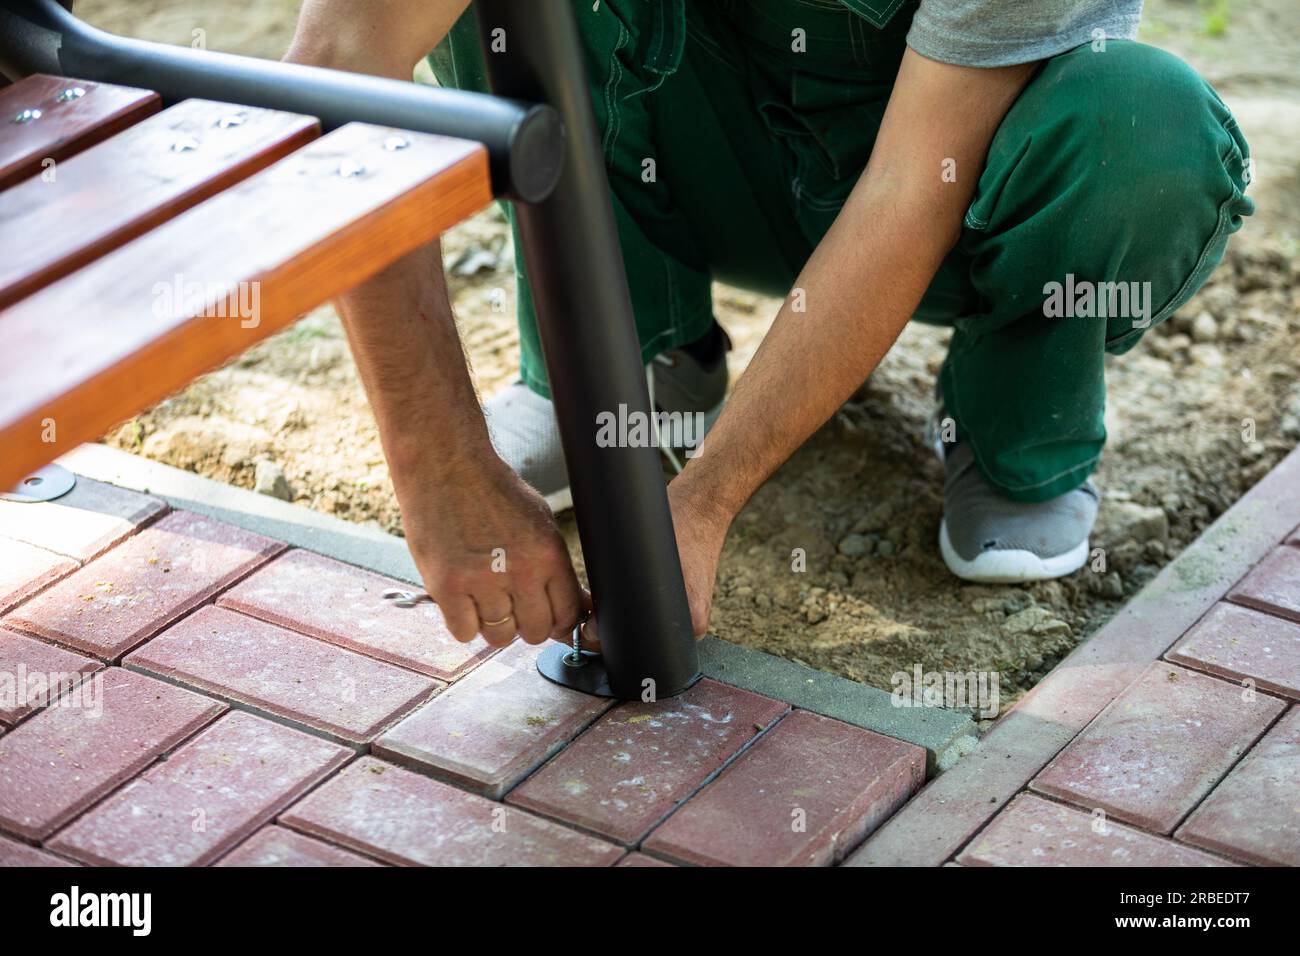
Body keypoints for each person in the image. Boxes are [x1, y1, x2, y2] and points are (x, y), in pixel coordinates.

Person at [284, 0, 1253, 648]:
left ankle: (1014, 420)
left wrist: (703, 502)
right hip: (710, 156)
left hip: (942, 192)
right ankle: (632, 353)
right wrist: (441, 472)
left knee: (1142, 124)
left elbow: (914, 186)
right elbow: (340, 64)